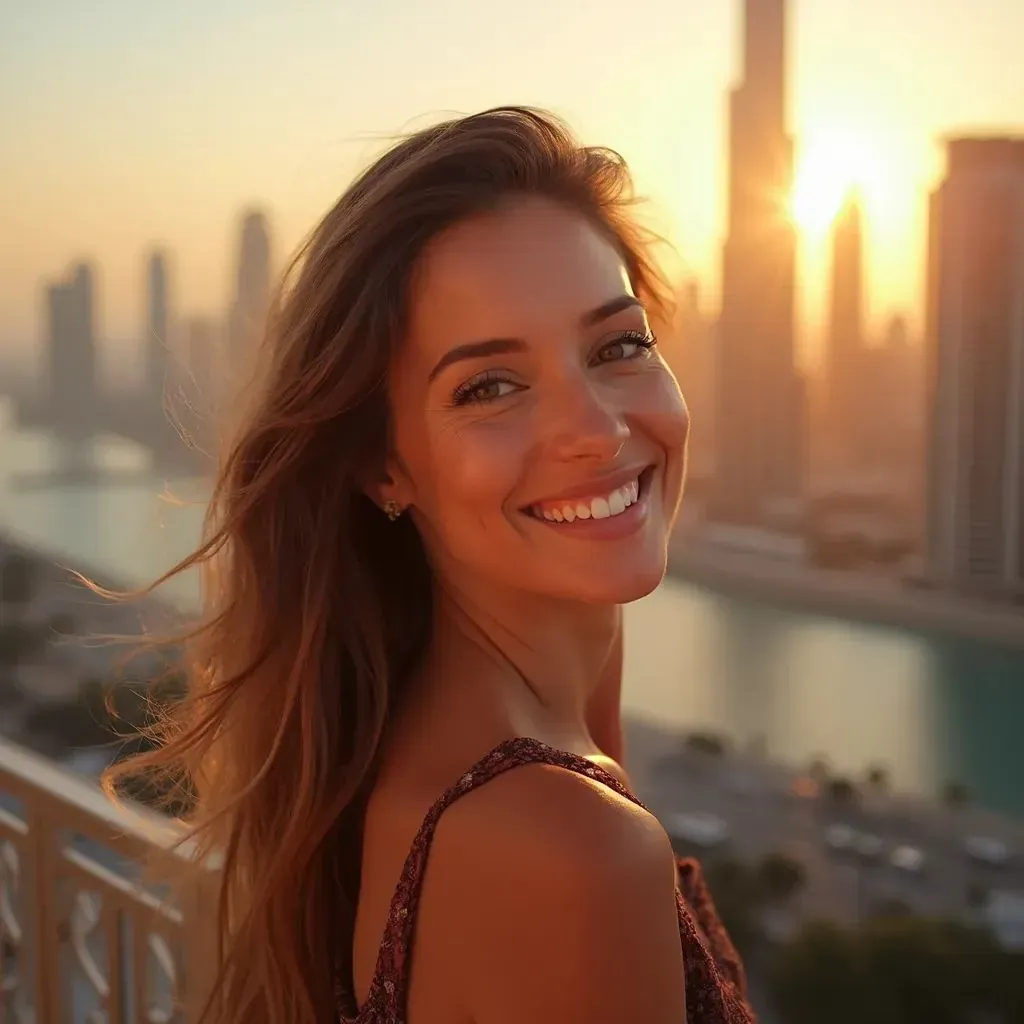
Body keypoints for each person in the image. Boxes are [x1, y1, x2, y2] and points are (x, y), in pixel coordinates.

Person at [115, 106, 754, 1024]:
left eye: (618, 345)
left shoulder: (425, 736)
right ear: (382, 464)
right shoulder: (568, 847)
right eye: (490, 386)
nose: (597, 430)